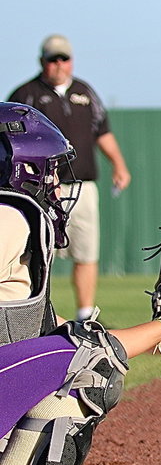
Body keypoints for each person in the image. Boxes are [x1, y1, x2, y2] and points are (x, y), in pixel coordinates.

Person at [0, 102, 161, 465]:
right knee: (91, 370)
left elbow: (53, 333)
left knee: (79, 349)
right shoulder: (9, 216)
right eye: (47, 171)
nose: (57, 184)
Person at [8, 35, 132, 322]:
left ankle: (85, 315)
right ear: (42, 62)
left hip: (82, 187)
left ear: (71, 61)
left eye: (64, 58)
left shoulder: (84, 92)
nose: (59, 64)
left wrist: (119, 164)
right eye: (53, 59)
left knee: (86, 252)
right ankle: (32, 313)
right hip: (40, 190)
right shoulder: (26, 95)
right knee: (36, 253)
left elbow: (102, 132)